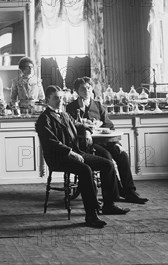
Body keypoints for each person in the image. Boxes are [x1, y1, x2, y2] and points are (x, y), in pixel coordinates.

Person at [36, 85, 130, 228]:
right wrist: (70, 152)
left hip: (76, 153)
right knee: (86, 170)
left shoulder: (65, 115)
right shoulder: (44, 119)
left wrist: (86, 131)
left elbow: (78, 124)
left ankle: (109, 205)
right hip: (59, 157)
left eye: (61, 98)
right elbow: (51, 142)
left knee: (108, 164)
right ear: (47, 100)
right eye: (55, 98)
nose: (59, 101)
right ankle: (91, 215)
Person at [66, 77, 148, 204]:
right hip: (86, 145)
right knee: (107, 157)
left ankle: (130, 192)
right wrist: (83, 117)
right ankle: (114, 194)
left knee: (123, 155)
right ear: (77, 91)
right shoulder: (71, 107)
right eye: (83, 88)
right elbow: (72, 127)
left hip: (104, 141)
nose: (86, 90)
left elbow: (109, 125)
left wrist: (116, 142)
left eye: (88, 87)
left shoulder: (98, 105)